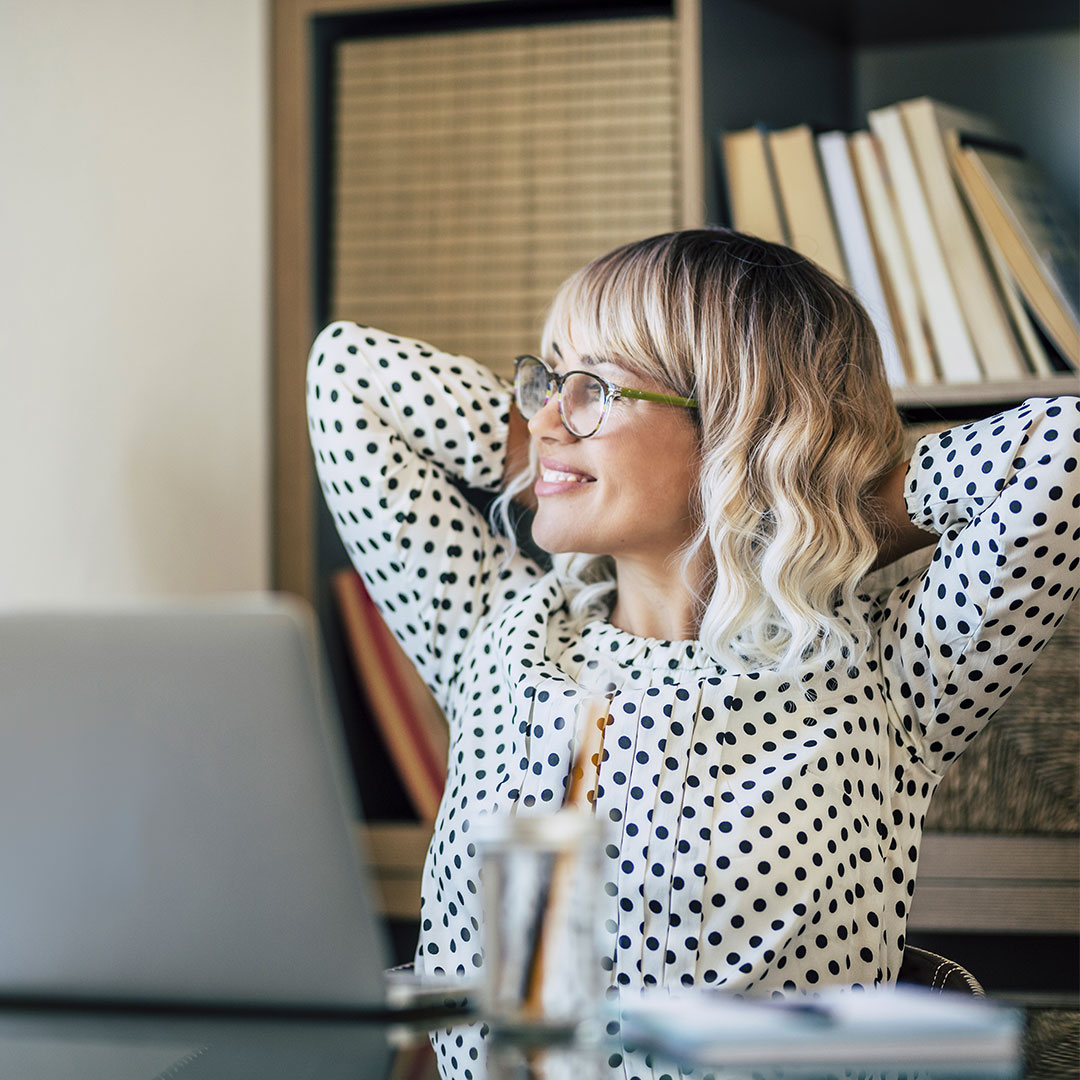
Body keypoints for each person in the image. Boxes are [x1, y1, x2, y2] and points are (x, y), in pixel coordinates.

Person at [306, 228, 1078, 998]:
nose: (543, 416)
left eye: (594, 390)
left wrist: (807, 496)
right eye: (548, 380)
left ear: (738, 431)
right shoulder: (493, 627)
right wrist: (556, 457)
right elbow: (347, 372)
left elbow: (1064, 450)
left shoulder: (889, 672)